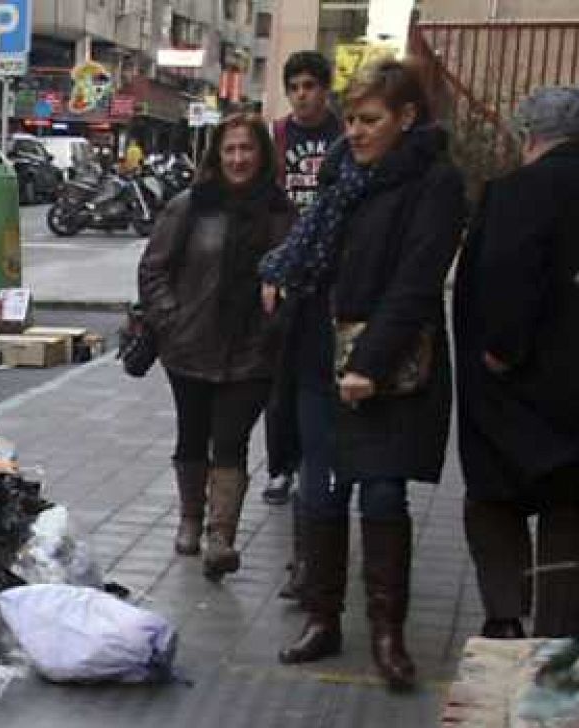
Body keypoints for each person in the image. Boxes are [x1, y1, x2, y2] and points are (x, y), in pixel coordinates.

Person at [261, 58, 466, 690]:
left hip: (387, 367)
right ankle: (323, 620)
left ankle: (387, 634)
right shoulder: (341, 174)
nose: (355, 130)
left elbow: (415, 282)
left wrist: (369, 364)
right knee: (320, 489)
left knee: (381, 492)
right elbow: (311, 250)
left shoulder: (435, 183)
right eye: (350, 118)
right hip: (320, 357)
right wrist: (280, 271)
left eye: (370, 119)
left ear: (407, 118)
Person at [454, 86, 579, 641]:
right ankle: (559, 634)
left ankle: (507, 617)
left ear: (529, 135)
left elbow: (507, 273)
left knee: (494, 497)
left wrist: (501, 350)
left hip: (518, 389)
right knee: (578, 506)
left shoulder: (518, 192)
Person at [138, 114, 296, 579]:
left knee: (231, 440)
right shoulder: (190, 206)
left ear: (262, 155)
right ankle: (190, 516)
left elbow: (297, 273)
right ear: (216, 155)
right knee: (192, 434)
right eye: (229, 150)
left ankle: (220, 535)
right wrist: (170, 320)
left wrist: (281, 308)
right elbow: (154, 269)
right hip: (191, 345)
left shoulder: (279, 212)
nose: (238, 158)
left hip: (252, 349)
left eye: (247, 149)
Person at [265, 51, 344, 510]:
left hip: (327, 272)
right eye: (294, 86)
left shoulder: (342, 135)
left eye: (310, 85)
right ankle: (281, 465)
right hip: (282, 270)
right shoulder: (277, 135)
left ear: (325, 89)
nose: (301, 95)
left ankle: (318, 464)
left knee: (320, 378)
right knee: (280, 381)